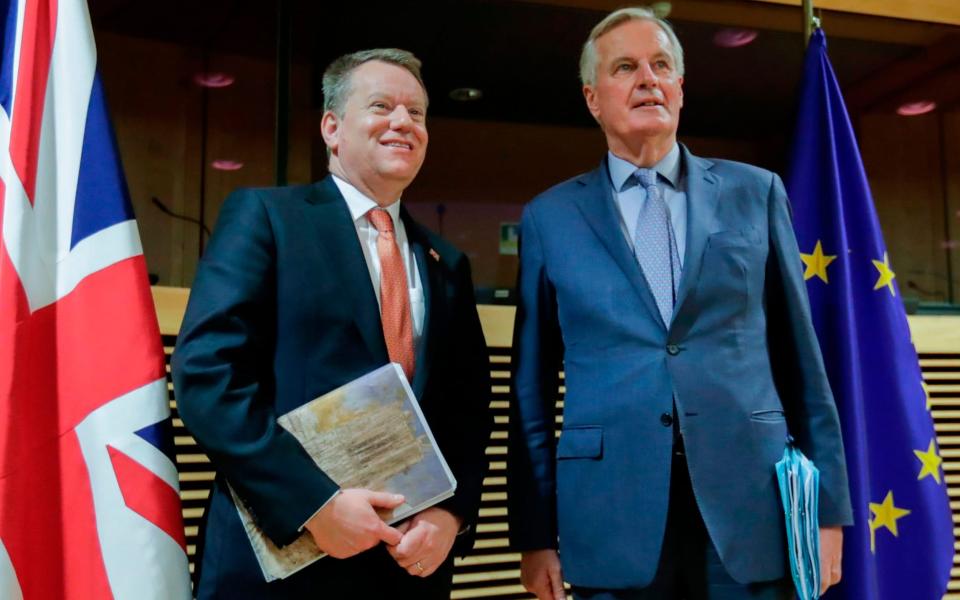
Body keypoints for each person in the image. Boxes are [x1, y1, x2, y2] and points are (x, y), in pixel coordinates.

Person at [508, 7, 852, 600]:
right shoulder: (549, 218)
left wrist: (827, 512)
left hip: (751, 511)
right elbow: (530, 392)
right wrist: (534, 536)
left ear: (680, 88)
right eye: (625, 67)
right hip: (610, 515)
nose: (648, 78)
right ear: (593, 99)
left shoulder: (756, 192)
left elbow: (803, 361)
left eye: (661, 65)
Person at [172, 48, 491, 599]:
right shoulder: (268, 218)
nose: (403, 123)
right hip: (283, 556)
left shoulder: (447, 264)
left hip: (407, 567)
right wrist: (314, 504)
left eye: (416, 113)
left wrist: (452, 516)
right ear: (332, 127)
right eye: (382, 106)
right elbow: (208, 376)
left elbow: (468, 409)